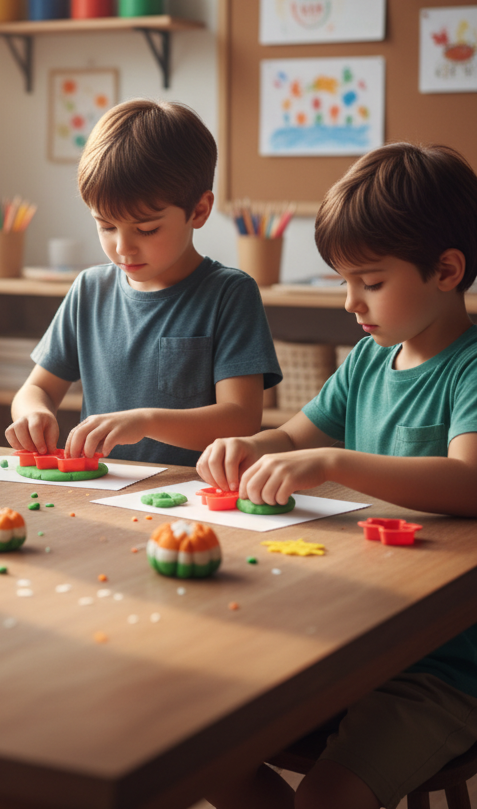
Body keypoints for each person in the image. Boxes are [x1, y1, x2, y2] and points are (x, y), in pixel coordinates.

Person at [199, 143, 477, 809]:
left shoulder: (469, 368)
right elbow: (293, 435)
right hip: (347, 640)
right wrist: (248, 446)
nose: (351, 301)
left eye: (371, 281)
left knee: (328, 796)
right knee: (194, 749)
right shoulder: (366, 362)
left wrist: (331, 462)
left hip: (440, 668)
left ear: (446, 270)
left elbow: (469, 483)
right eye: (342, 281)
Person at [7, 98, 280, 464]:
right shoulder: (89, 290)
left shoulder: (229, 294)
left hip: (190, 499)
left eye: (147, 229)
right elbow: (36, 388)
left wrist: (146, 421)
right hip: (104, 492)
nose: (123, 247)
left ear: (199, 210)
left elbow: (242, 420)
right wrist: (33, 413)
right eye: (105, 226)